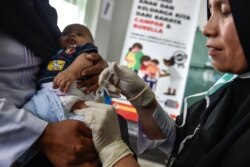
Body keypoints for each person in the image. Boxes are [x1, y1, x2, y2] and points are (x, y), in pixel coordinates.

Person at [77, 0, 250, 166]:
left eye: (226, 12)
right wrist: (143, 100)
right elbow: (183, 142)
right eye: (210, 11)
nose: (207, 28)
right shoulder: (230, 85)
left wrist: (112, 150)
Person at [0, 1, 107, 166]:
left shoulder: (44, 12)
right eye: (69, 33)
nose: (72, 36)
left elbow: (57, 59)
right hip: (14, 127)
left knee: (107, 129)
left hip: (45, 109)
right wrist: (44, 135)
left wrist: (93, 65)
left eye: (79, 34)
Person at [23, 23, 101, 123]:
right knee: (27, 114)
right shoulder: (56, 51)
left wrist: (71, 72)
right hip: (44, 94)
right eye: (66, 33)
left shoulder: (82, 49)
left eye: (79, 34)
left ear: (90, 43)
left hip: (70, 91)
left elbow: (86, 58)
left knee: (84, 119)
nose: (71, 35)